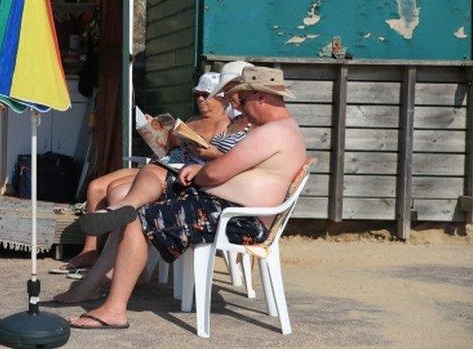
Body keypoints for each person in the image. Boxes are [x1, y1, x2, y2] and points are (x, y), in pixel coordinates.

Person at [67, 66, 307, 329]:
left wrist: (201, 173)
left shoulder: (271, 131)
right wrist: (201, 172)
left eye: (244, 99)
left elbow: (215, 174)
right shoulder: (282, 129)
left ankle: (114, 309)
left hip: (236, 219)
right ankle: (118, 220)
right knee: (155, 176)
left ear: (261, 97)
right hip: (225, 209)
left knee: (137, 219)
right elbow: (224, 171)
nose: (240, 107)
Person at [52, 76, 251, 302]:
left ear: (223, 98)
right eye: (197, 94)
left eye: (207, 95)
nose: (201, 99)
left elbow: (225, 162)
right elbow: (167, 149)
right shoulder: (197, 120)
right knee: (99, 187)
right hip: (167, 164)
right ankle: (97, 258)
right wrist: (155, 130)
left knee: (119, 194)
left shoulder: (235, 127)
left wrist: (202, 153)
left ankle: (120, 271)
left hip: (185, 176)